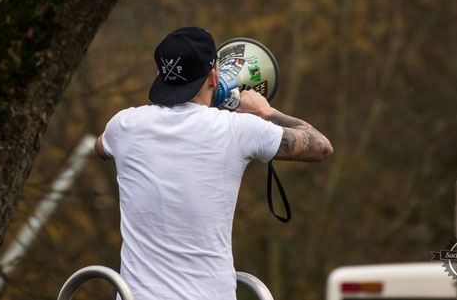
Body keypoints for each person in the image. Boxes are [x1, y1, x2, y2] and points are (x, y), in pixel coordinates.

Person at [94, 26, 332, 300]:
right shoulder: (237, 129)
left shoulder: (124, 125)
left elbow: (101, 146)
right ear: (212, 76)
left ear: (160, 75)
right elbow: (321, 146)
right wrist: (265, 112)